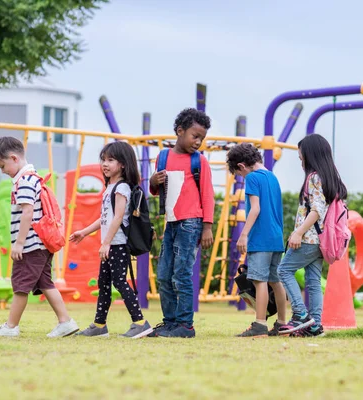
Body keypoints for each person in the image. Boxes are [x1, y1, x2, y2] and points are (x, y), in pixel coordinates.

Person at [0, 137, 79, 337]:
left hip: (31, 245)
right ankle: (66, 321)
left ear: (14, 158)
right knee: (45, 282)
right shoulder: (32, 177)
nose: (2, 171)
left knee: (20, 285)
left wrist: (19, 244)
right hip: (40, 245)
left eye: (3, 166)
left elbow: (27, 212)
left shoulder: (25, 181)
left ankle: (11, 327)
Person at [70, 141, 153, 339]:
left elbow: (118, 217)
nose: (105, 164)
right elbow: (105, 217)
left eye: (111, 160)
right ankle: (99, 324)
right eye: (103, 160)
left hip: (118, 245)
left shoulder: (122, 188)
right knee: (104, 283)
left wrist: (106, 243)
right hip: (111, 244)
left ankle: (140, 322)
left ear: (123, 164)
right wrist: (85, 232)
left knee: (119, 282)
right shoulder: (111, 187)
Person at [148, 108, 215, 338]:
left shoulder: (200, 162)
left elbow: (207, 194)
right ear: (179, 131)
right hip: (171, 223)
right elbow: (157, 190)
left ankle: (185, 325)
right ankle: (170, 322)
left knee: (181, 274)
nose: (198, 142)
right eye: (194, 136)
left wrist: (207, 227)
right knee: (164, 274)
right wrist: (153, 181)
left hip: (191, 224)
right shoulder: (163, 157)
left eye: (202, 138)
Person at [278, 134, 347, 337]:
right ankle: (314, 325)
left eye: (302, 158)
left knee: (283, 270)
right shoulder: (330, 178)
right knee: (313, 281)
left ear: (311, 155)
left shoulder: (314, 177)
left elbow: (316, 210)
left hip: (309, 238)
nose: (301, 163)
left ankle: (300, 314)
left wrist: (298, 232)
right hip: (322, 241)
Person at [226, 143, 287, 337]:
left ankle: (260, 325)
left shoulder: (252, 177)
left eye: (239, 174)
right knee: (275, 281)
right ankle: (282, 324)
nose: (242, 177)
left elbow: (255, 208)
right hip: (276, 238)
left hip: (260, 238)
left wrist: (244, 234)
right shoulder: (273, 177)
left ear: (242, 166)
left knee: (259, 281)